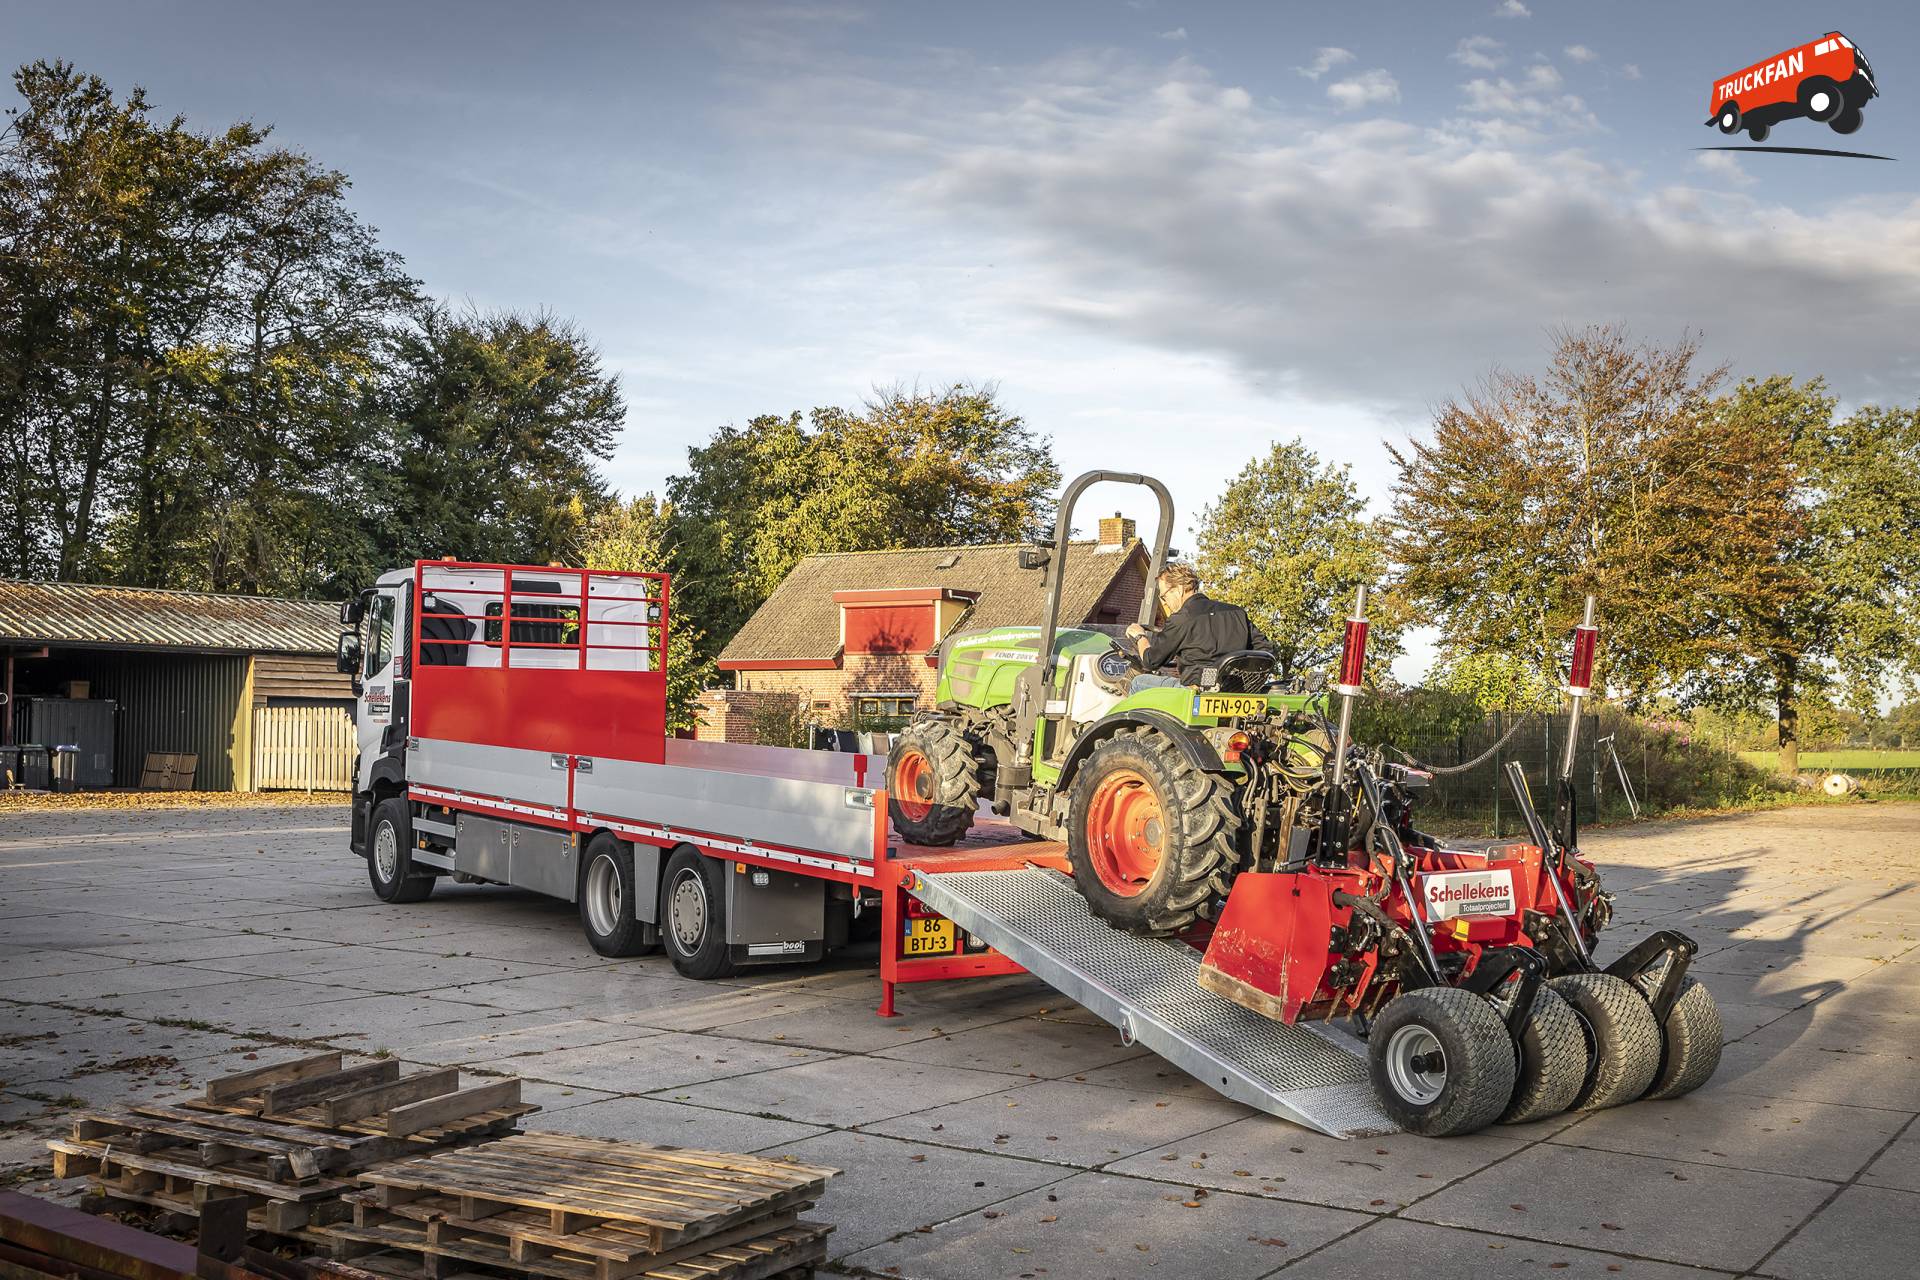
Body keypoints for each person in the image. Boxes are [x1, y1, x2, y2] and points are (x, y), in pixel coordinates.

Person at [1125, 563, 1270, 690]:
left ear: (1179, 589)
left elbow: (1151, 661)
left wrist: (1140, 636)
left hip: (1196, 693)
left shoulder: (1181, 619)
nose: (1164, 602)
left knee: (1138, 682)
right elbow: (1266, 650)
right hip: (1234, 691)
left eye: (1164, 596)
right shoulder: (1236, 613)